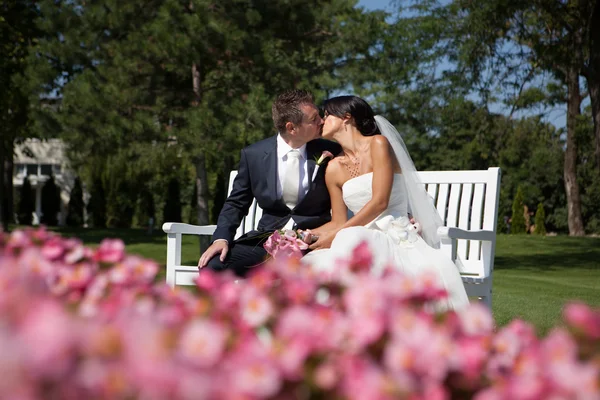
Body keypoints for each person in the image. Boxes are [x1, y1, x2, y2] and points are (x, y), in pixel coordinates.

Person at [301, 95, 469, 310]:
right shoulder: (333, 168)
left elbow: (380, 202)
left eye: (326, 115)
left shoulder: (378, 144)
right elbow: (338, 221)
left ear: (346, 117)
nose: (322, 121)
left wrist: (337, 235)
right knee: (316, 262)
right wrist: (303, 235)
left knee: (348, 237)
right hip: (356, 236)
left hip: (396, 235)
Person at [198, 89, 340, 276]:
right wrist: (221, 238)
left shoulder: (331, 151)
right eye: (314, 119)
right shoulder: (253, 155)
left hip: (315, 242)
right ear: (291, 128)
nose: (321, 121)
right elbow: (236, 202)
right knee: (213, 267)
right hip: (266, 241)